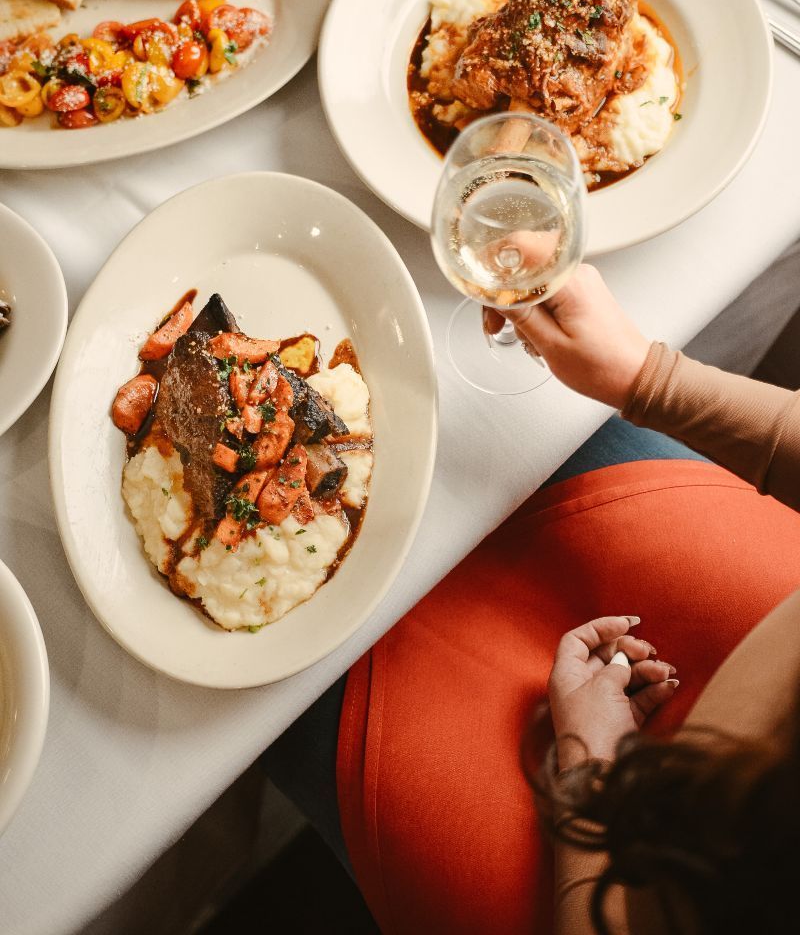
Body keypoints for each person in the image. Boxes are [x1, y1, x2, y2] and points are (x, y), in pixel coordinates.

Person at [264, 264, 800, 934]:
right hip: (762, 603)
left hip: (612, 881)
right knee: (472, 414)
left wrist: (585, 774)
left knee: (282, 685)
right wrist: (649, 380)